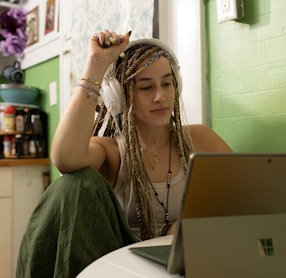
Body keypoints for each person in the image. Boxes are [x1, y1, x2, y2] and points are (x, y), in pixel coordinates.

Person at [16, 30, 232, 277]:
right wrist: (96, 65)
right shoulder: (111, 151)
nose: (160, 96)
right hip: (121, 264)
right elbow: (65, 158)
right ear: (119, 96)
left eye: (166, 83)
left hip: (186, 261)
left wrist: (190, 222)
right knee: (75, 184)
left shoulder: (199, 140)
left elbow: (245, 195)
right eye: (146, 87)